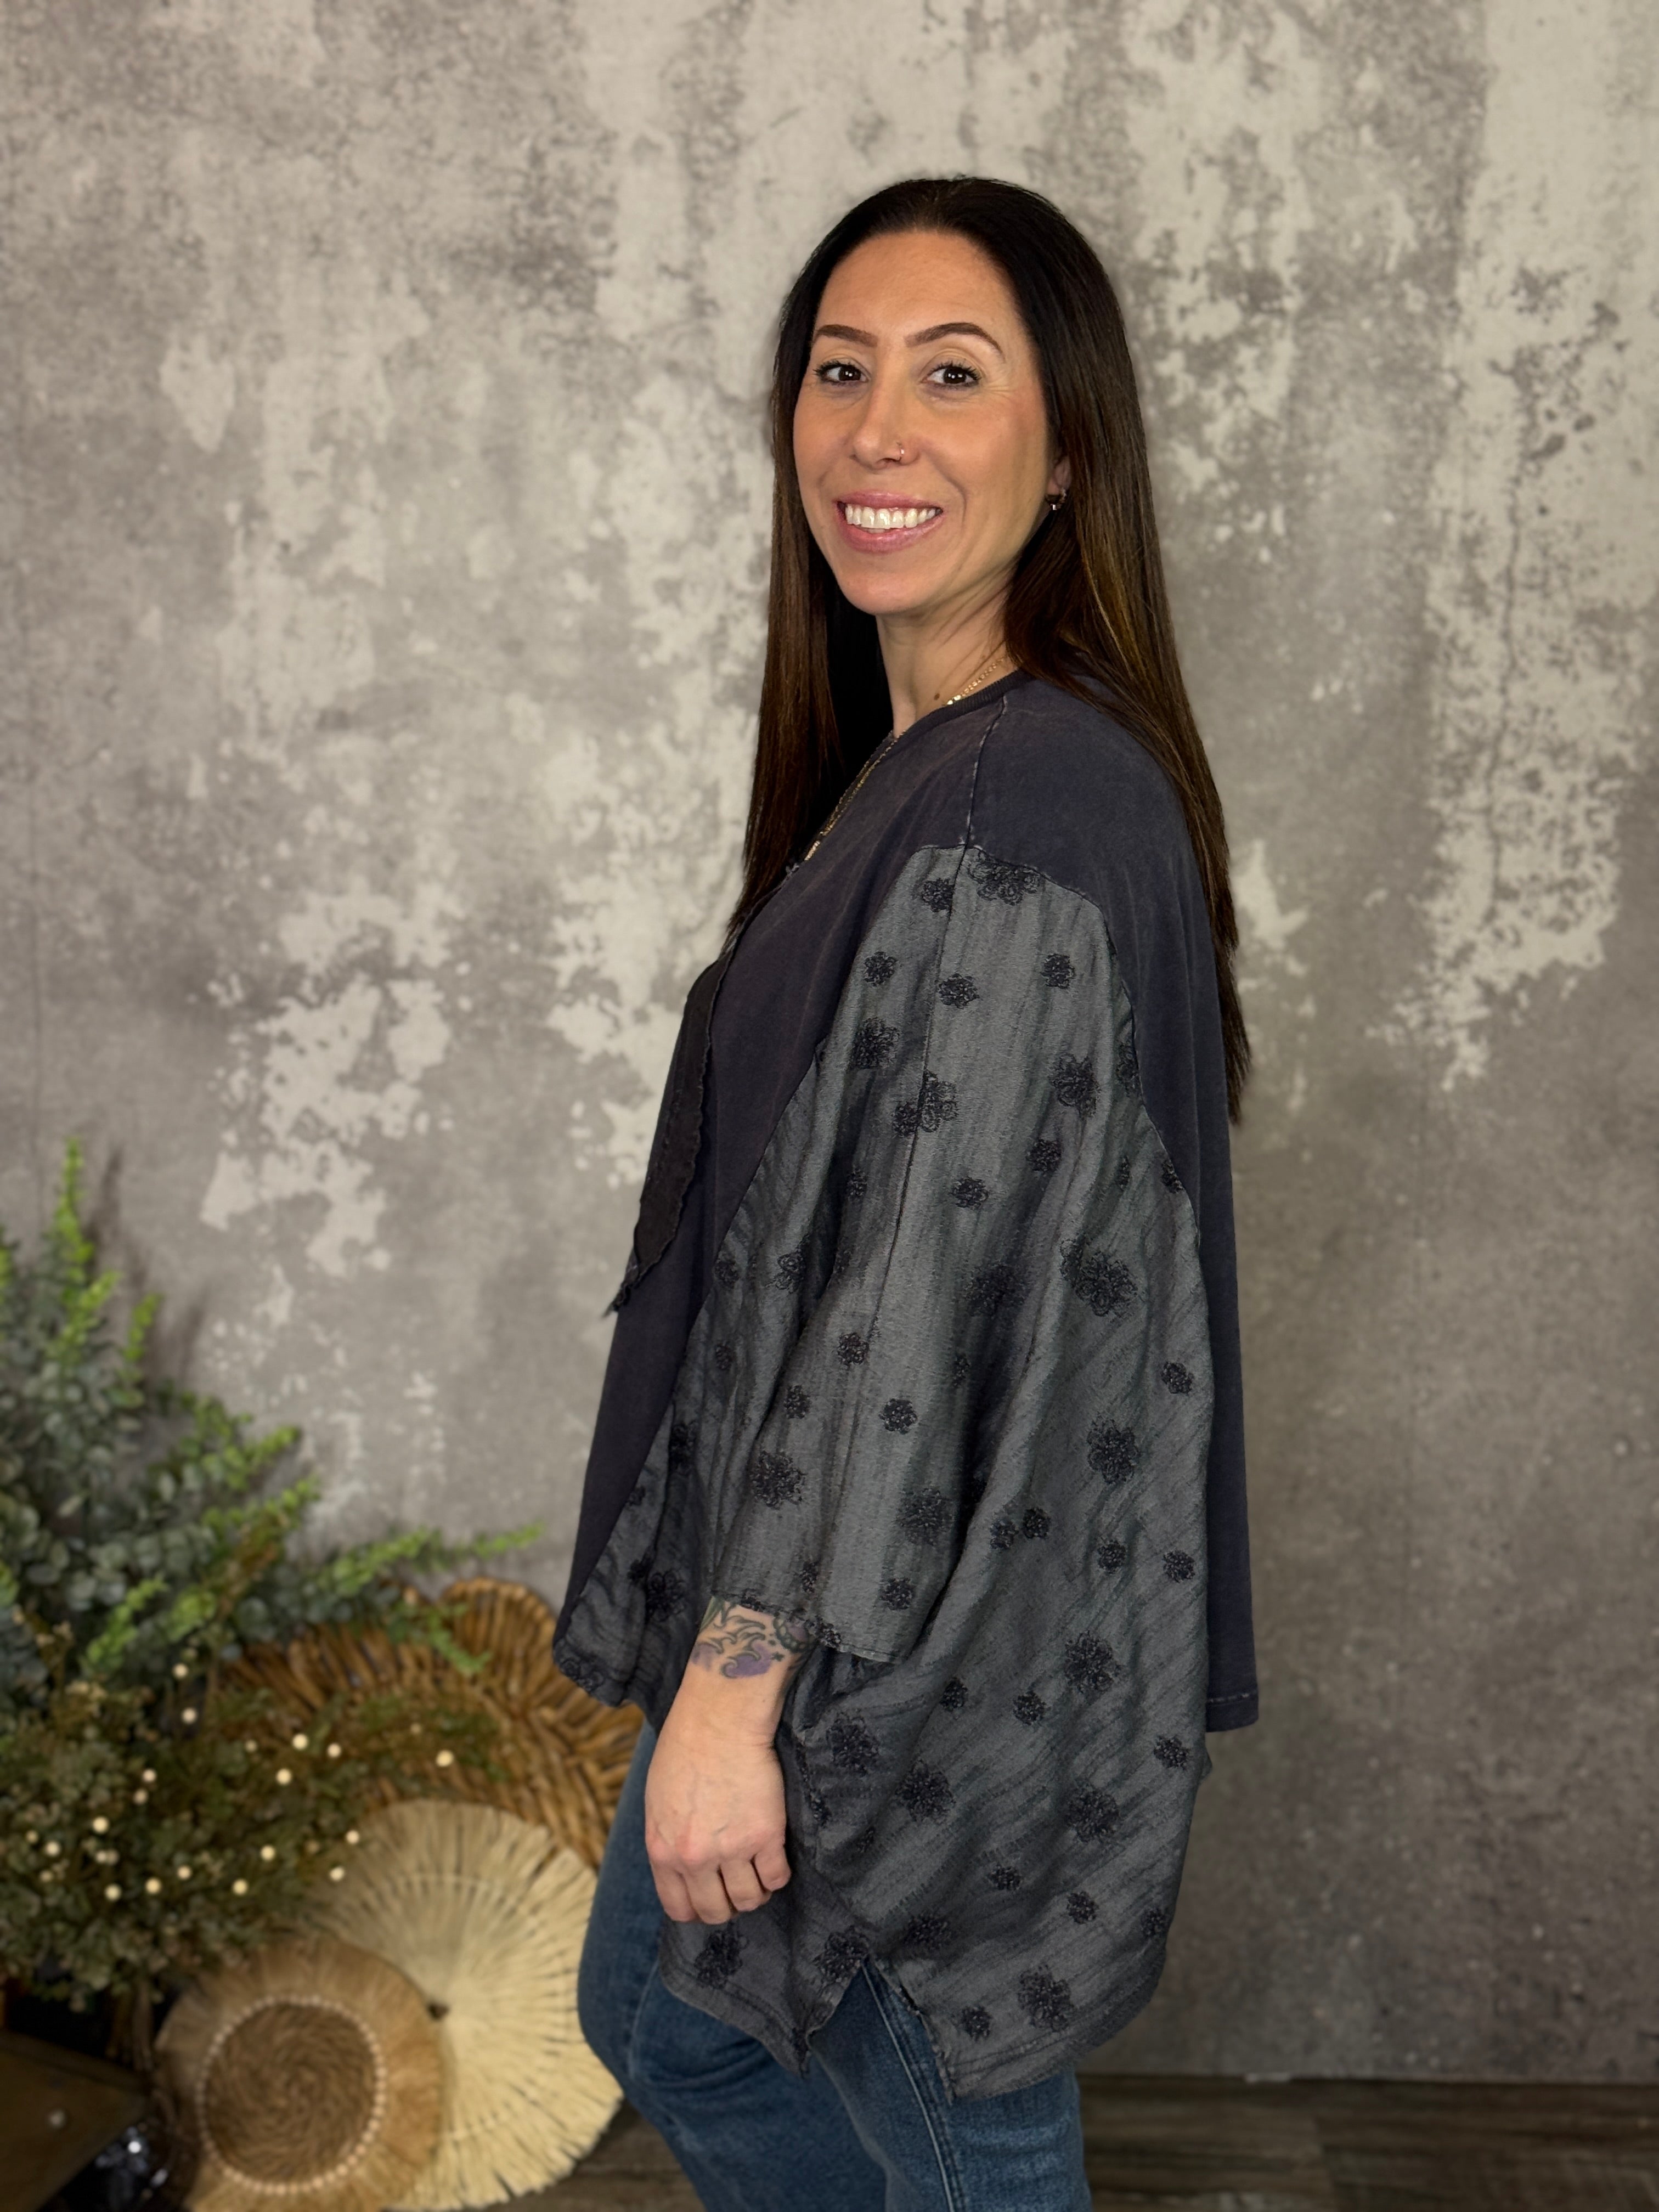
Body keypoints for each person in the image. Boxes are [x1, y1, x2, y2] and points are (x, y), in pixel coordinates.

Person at [556, 175, 1259, 2212]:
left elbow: (907, 1288)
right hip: (863, 1593)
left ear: (1069, 451)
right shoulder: (940, 762)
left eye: (954, 377)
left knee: (951, 2123)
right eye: (839, 371)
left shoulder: (1025, 795)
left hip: (908, 1653)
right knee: (673, 2020)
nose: (877, 430)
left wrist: (734, 1691)